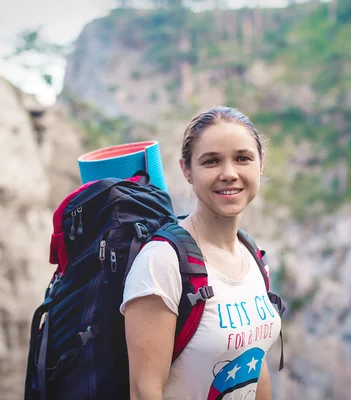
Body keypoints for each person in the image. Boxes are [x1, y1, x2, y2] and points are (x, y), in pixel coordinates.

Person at [120, 106, 282, 400]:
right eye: (211, 161)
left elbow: (257, 368)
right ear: (187, 170)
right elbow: (144, 392)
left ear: (260, 165)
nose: (229, 173)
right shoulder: (162, 262)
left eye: (242, 158)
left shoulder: (252, 255)